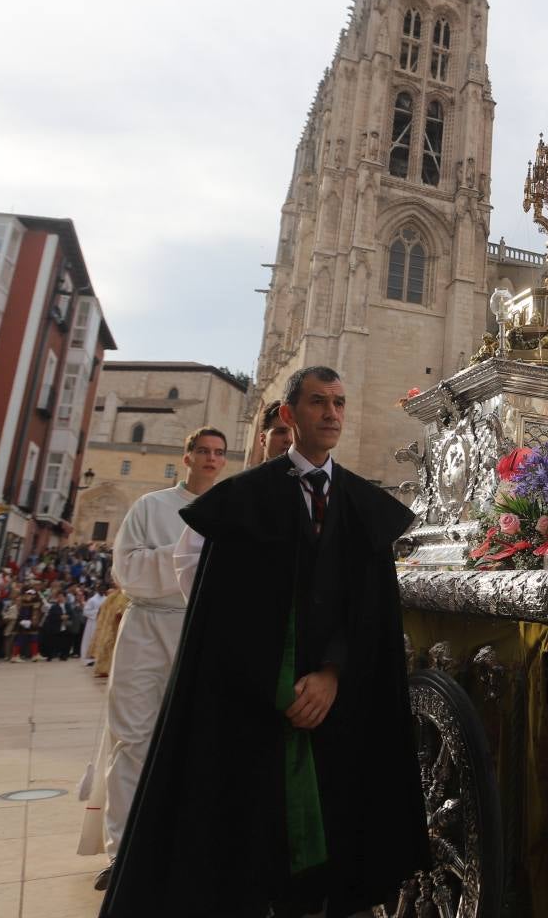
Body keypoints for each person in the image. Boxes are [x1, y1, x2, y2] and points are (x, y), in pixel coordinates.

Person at [102, 366, 430, 915]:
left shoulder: (364, 507)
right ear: (288, 414)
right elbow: (223, 616)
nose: (332, 414)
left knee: (335, 832)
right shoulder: (241, 502)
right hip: (253, 704)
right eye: (319, 402)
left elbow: (369, 612)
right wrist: (279, 687)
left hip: (336, 701)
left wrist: (331, 674)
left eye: (340, 403)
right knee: (253, 843)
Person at [81, 427, 231, 890]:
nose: (210, 459)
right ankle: (122, 852)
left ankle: (185, 846)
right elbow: (127, 570)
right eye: (202, 451)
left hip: (198, 628)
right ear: (186, 457)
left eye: (218, 453)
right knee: (133, 739)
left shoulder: (227, 508)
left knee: (197, 739)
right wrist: (191, 554)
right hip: (146, 628)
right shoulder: (151, 506)